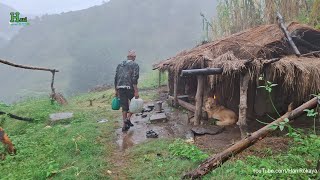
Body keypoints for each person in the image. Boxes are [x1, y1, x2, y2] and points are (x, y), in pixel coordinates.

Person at [114, 50, 140, 132]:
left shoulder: (119, 65)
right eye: (134, 57)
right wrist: (136, 91)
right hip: (130, 88)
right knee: (135, 104)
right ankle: (128, 119)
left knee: (124, 107)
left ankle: (124, 125)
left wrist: (116, 90)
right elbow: (134, 78)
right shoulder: (135, 65)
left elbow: (116, 77)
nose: (135, 58)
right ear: (133, 57)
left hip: (120, 88)